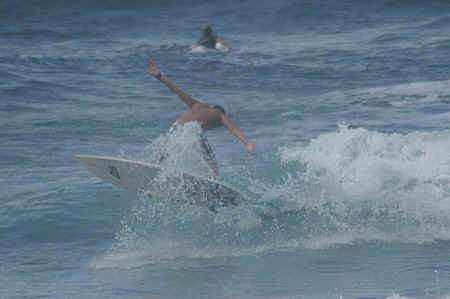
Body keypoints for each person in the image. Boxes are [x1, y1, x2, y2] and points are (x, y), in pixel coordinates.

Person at [148, 60, 254, 176]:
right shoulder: (219, 115)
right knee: (210, 159)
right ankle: (214, 178)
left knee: (166, 151)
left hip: (176, 125)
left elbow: (178, 92)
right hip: (191, 129)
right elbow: (233, 129)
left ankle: (153, 165)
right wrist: (247, 142)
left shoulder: (196, 104)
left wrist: (159, 76)